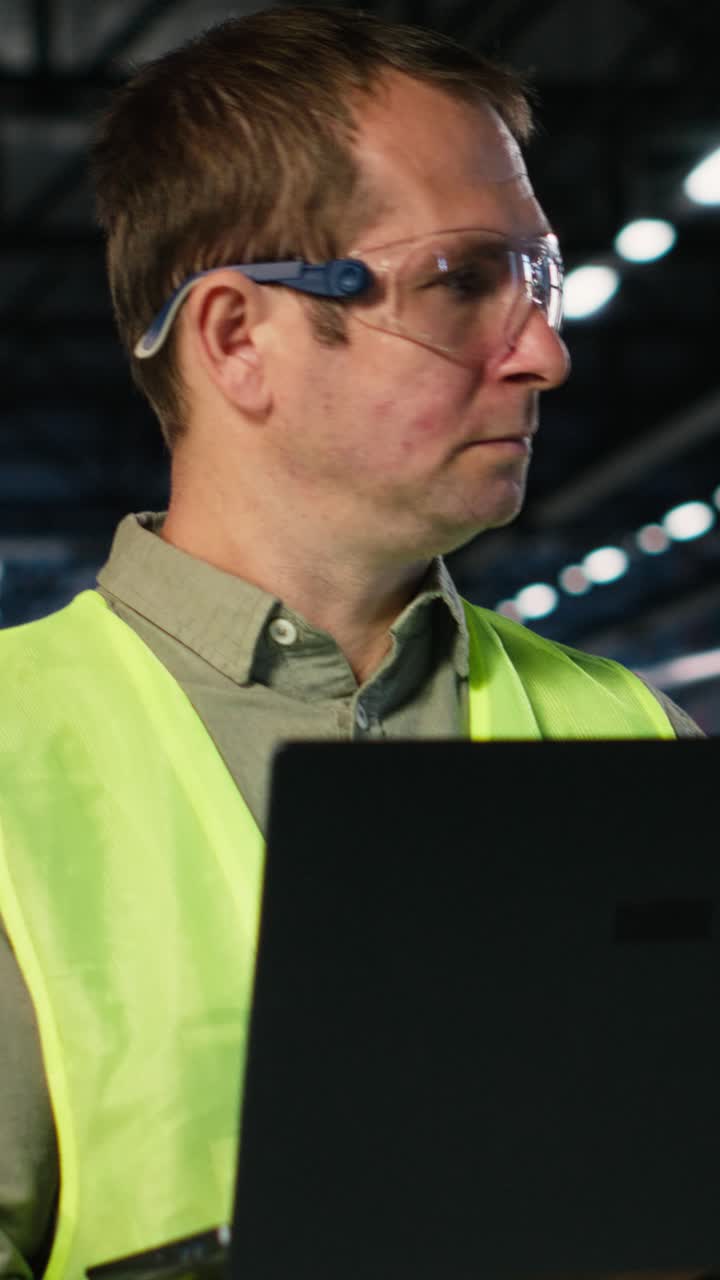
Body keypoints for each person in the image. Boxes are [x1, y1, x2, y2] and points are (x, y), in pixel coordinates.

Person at [0, 6, 705, 1279]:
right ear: (237, 338)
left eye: (536, 278)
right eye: (460, 281)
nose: (543, 348)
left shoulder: (641, 734)